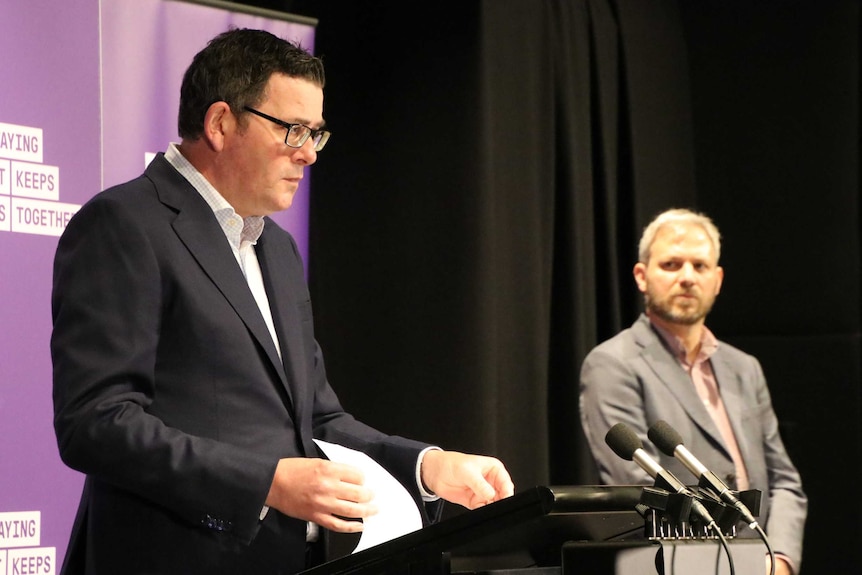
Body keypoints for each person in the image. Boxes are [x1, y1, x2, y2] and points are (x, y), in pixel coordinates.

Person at [51, 28, 514, 575]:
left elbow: (316, 419)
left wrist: (427, 465)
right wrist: (266, 482)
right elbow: (96, 423)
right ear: (221, 123)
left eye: (316, 133)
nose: (308, 154)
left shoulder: (277, 246)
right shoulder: (125, 224)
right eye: (293, 130)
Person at [579, 208, 807, 575]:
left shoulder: (744, 367)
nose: (687, 277)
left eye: (699, 267)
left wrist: (778, 561)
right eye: (671, 264)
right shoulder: (611, 364)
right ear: (641, 276)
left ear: (717, 280)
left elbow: (784, 482)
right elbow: (640, 489)